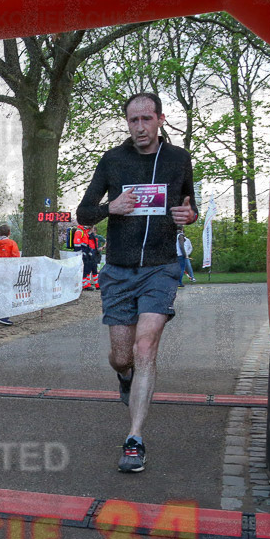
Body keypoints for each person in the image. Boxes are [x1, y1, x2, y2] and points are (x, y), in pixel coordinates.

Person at [76, 92, 198, 473]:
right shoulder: (113, 160)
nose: (140, 127)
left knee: (145, 346)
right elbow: (83, 213)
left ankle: (134, 439)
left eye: (147, 119)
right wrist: (109, 207)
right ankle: (124, 376)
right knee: (122, 355)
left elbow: (189, 205)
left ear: (160, 119)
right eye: (133, 120)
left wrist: (190, 215)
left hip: (161, 268)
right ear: (127, 123)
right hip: (119, 270)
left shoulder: (178, 159)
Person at [0, 223, 20, 325]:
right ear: (9, 233)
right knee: (8, 294)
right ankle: (3, 317)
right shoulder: (12, 243)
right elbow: (16, 259)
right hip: (8, 273)